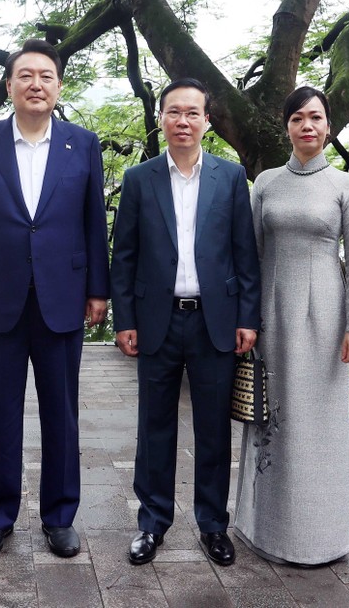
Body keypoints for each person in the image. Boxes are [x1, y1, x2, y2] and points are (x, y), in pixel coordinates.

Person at [0, 39, 110, 559]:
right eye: (26, 76)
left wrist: (99, 289)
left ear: (59, 87)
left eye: (47, 76)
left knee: (61, 411)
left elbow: (92, 221)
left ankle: (60, 516)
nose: (36, 84)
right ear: (10, 85)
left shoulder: (82, 145)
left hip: (62, 295)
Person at [111, 78, 261, 567]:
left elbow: (245, 254)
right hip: (157, 319)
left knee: (213, 429)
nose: (182, 121)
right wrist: (125, 319)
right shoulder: (139, 179)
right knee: (154, 427)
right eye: (173, 112)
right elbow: (124, 256)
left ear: (207, 121)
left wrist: (247, 317)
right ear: (161, 118)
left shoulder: (231, 177)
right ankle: (151, 524)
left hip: (213, 322)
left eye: (192, 113)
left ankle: (213, 525)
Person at [233, 85, 349, 566]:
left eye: (315, 117)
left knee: (318, 427)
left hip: (326, 319)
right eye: (297, 118)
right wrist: (246, 319)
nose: (306, 125)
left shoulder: (345, 185)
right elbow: (247, 256)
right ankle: (264, 530)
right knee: (271, 421)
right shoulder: (266, 182)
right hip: (271, 315)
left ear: (328, 126)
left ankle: (320, 536)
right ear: (287, 126)